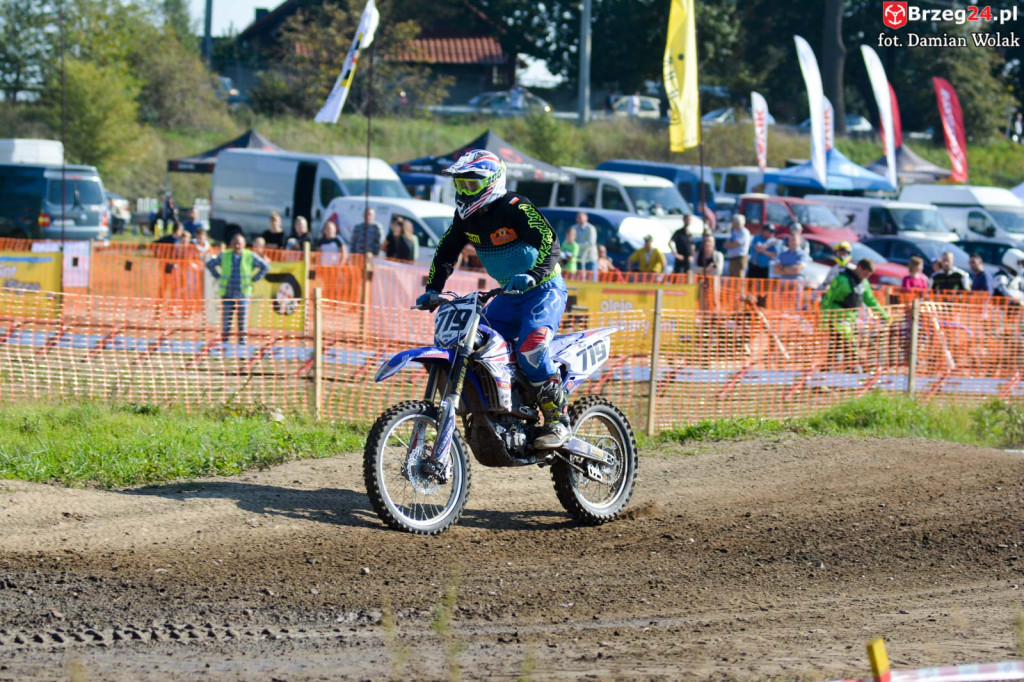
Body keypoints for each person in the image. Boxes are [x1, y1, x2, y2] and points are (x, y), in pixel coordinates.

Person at [415, 149, 571, 449]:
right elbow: (446, 251)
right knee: (475, 345)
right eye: (459, 186)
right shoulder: (465, 218)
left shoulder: (515, 206)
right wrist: (434, 288)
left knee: (533, 348)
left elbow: (549, 240)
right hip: (507, 296)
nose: (463, 192)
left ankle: (558, 419)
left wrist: (536, 274)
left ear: (492, 182)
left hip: (543, 290)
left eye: (470, 186)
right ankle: (510, 407)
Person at [821, 258, 891, 363]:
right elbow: (828, 298)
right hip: (837, 315)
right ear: (859, 268)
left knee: (838, 343)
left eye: (869, 275)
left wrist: (884, 315)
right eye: (865, 273)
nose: (866, 277)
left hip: (851, 317)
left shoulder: (864, 283)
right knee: (846, 340)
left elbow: (871, 300)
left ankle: (832, 366)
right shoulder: (842, 280)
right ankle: (852, 365)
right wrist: (824, 318)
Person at [205, 233, 270, 344]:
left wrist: (254, 278)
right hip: (227, 294)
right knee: (226, 323)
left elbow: (266, 266)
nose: (237, 246)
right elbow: (210, 264)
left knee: (242, 324)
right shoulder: (225, 255)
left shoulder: (250, 255)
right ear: (231, 244)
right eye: (235, 243)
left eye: (239, 243)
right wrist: (218, 276)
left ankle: (242, 348)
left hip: (243, 294)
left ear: (244, 244)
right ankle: (224, 346)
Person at [575, 211, 599, 279]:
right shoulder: (574, 228)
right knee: (578, 280)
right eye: (577, 217)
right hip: (578, 258)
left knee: (591, 279)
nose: (578, 219)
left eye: (580, 217)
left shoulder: (591, 228)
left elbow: (591, 243)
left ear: (586, 218)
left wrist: (575, 246)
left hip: (590, 258)